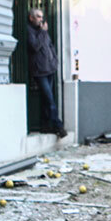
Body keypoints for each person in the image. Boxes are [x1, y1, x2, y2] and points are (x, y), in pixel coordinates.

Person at [26, 8, 67, 138]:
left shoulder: (42, 31)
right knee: (50, 99)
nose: (41, 19)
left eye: (41, 17)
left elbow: (50, 46)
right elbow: (35, 46)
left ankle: (45, 126)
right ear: (31, 18)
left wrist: (55, 61)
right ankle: (58, 125)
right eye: (38, 17)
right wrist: (43, 32)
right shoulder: (30, 30)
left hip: (49, 69)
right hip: (40, 71)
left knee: (46, 99)